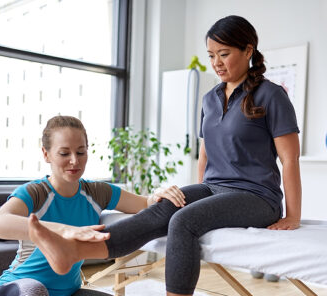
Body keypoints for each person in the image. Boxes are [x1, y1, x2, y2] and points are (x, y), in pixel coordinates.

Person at [25, 15, 302, 296]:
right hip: (214, 187)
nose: (216, 62)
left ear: (248, 51)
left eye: (224, 54)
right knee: (164, 207)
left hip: (258, 197)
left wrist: (293, 215)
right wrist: (201, 194)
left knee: (184, 221)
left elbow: (290, 159)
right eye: (211, 55)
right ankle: (73, 252)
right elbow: (205, 154)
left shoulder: (271, 95)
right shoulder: (210, 98)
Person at [0, 115, 186, 296]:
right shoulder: (35, 193)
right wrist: (66, 231)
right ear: (46, 154)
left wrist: (160, 193)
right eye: (64, 153)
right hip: (17, 289)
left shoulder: (97, 192)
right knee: (35, 290)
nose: (74, 161)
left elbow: (145, 204)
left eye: (81, 152)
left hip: (69, 292)